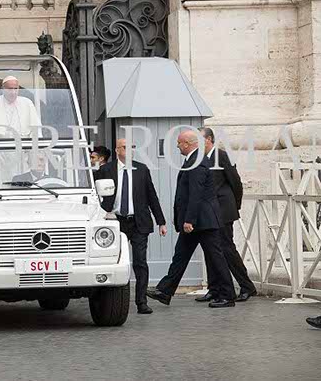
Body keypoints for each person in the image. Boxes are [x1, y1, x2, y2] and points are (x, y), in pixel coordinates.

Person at [147, 131, 236, 309]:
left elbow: (196, 194)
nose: (177, 146)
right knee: (180, 256)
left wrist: (189, 220)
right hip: (197, 221)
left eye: (179, 143)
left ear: (187, 144)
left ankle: (228, 295)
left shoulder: (196, 162)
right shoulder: (193, 160)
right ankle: (165, 290)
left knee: (216, 257)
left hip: (203, 221)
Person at [97, 139, 167, 315]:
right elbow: (96, 196)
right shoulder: (106, 170)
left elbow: (152, 196)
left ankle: (141, 302)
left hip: (138, 222)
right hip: (115, 222)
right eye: (125, 147)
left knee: (140, 262)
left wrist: (161, 221)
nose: (129, 150)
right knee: (114, 261)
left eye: (132, 147)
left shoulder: (141, 169)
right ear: (117, 150)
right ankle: (112, 300)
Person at [196, 127, 257, 303]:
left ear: (209, 139)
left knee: (227, 249)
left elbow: (236, 183)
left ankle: (247, 286)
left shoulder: (222, 156)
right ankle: (214, 289)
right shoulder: (200, 158)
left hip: (223, 210)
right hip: (209, 212)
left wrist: (234, 207)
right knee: (211, 250)